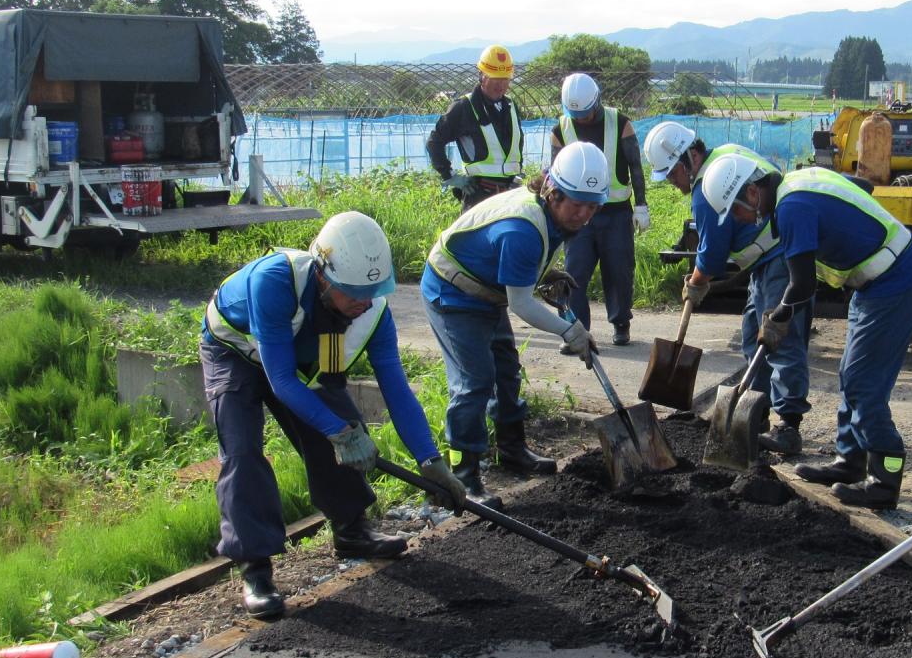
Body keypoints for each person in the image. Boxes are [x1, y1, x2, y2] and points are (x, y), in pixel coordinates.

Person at [201, 212, 469, 619]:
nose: (364, 302)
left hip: (308, 339)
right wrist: (340, 433)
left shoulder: (368, 311)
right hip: (235, 350)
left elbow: (397, 390)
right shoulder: (274, 282)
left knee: (337, 413)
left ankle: (351, 530)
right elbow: (281, 381)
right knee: (242, 452)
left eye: (372, 291)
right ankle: (255, 570)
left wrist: (430, 462)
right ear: (324, 276)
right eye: (353, 293)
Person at [701, 157, 912, 509]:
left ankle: (885, 478)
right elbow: (860, 187)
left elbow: (803, 283)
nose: (737, 220)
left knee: (863, 382)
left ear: (752, 192)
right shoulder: (797, 184)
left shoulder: (792, 207)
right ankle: (849, 462)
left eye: (735, 211)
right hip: (873, 282)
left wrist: (778, 317)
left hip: (896, 279)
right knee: (850, 376)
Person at [421, 141, 610, 502]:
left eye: (592, 206)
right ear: (553, 192)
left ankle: (511, 449)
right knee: (473, 382)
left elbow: (514, 266)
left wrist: (544, 272)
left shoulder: (552, 216)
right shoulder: (522, 227)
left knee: (506, 369)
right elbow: (520, 302)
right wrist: (571, 330)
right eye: (577, 203)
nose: (584, 214)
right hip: (453, 291)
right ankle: (463, 478)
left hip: (486, 289)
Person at [643, 122, 810, 453]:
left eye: (673, 174)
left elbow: (713, 255)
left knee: (780, 337)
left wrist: (696, 283)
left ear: (691, 156)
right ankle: (755, 412)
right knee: (752, 334)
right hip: (769, 257)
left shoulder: (708, 188)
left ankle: (788, 426)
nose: (674, 184)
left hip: (779, 257)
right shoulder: (728, 154)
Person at [548, 73, 649, 346]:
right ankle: (574, 330)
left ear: (598, 102)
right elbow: (554, 174)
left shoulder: (620, 123)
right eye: (575, 114)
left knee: (618, 269)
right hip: (577, 215)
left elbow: (635, 167)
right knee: (574, 271)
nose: (580, 119)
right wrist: (553, 214)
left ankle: (620, 323)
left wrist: (641, 204)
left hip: (615, 212)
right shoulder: (560, 129)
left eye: (586, 113)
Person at [426, 44, 527, 212]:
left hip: (510, 194)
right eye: (495, 78)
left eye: (505, 79)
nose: (500, 85)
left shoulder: (510, 105)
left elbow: (517, 144)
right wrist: (450, 175)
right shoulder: (464, 107)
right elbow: (434, 142)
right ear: (482, 76)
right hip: (478, 195)